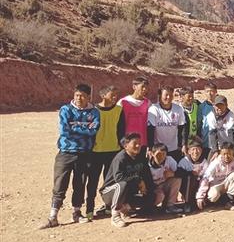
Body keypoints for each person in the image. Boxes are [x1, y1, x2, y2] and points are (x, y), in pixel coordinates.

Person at [40, 83, 100, 229]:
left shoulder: (94, 112)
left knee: (80, 184)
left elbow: (93, 130)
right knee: (60, 184)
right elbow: (64, 131)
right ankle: (53, 216)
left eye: (82, 96)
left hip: (84, 153)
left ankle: (77, 213)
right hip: (66, 152)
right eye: (77, 95)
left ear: (88, 97)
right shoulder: (65, 109)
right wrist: (84, 128)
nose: (79, 98)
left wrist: (74, 127)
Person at [85, 85, 124, 220]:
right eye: (112, 95)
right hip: (95, 152)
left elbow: (121, 130)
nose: (115, 97)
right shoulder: (93, 110)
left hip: (113, 151)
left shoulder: (119, 110)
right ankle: (89, 210)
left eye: (116, 95)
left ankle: (108, 207)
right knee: (92, 181)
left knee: (110, 183)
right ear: (103, 96)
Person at [99, 132, 154, 228]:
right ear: (126, 146)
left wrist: (149, 190)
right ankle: (115, 215)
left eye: (139, 143)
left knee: (153, 194)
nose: (138, 146)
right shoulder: (120, 158)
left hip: (127, 193)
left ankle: (126, 207)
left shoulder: (141, 158)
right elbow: (119, 178)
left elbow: (147, 177)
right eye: (135, 143)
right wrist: (138, 180)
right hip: (110, 192)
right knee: (122, 184)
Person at [196, 141, 234, 210]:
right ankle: (215, 202)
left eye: (229, 154)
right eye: (224, 154)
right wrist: (200, 196)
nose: (226, 156)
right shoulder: (216, 162)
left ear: (233, 152)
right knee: (213, 197)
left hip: (228, 183)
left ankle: (230, 202)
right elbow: (206, 178)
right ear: (220, 153)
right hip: (216, 184)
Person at [147, 86, 187, 162]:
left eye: (171, 95)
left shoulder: (178, 109)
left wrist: (183, 145)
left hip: (174, 148)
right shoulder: (154, 109)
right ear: (160, 95)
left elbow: (182, 128)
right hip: (159, 149)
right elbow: (150, 130)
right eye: (166, 95)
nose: (168, 97)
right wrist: (150, 147)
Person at [118, 77, 150, 154]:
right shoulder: (122, 102)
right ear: (134, 87)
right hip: (127, 143)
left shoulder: (148, 103)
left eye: (146, 87)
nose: (145, 89)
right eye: (142, 87)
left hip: (142, 143)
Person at [176, 137, 208, 213]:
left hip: (200, 187)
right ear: (189, 151)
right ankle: (187, 203)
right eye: (193, 149)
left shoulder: (204, 162)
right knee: (190, 177)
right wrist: (191, 173)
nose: (195, 152)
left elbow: (206, 178)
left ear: (201, 150)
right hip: (186, 188)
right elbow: (178, 174)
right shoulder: (184, 161)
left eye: (198, 149)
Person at [148, 143, 182, 214]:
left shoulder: (169, 160)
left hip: (165, 184)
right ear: (152, 154)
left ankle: (170, 206)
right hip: (154, 188)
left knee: (177, 180)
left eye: (164, 154)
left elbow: (181, 172)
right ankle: (150, 207)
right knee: (160, 196)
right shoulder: (148, 166)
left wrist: (173, 173)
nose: (161, 157)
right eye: (158, 154)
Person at [198, 81, 218, 151]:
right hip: (205, 141)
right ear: (204, 92)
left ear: (216, 92)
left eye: (211, 91)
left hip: (218, 140)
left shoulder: (220, 105)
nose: (209, 94)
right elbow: (199, 123)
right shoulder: (201, 107)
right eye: (207, 91)